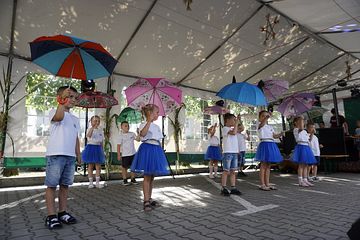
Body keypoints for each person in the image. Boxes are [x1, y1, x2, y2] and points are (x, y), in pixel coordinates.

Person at [44, 86, 80, 229]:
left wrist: (78, 153)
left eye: (74, 97)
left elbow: (76, 137)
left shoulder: (75, 119)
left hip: (70, 156)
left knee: (65, 185)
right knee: (52, 185)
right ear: (60, 97)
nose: (72, 100)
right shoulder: (54, 111)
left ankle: (62, 212)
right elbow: (59, 117)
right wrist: (61, 102)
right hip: (56, 154)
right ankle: (51, 216)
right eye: (69, 96)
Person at [130, 104, 169, 211]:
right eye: (156, 112)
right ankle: (145, 201)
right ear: (150, 114)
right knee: (147, 176)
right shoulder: (143, 124)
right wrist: (148, 121)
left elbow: (158, 140)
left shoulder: (156, 127)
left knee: (151, 177)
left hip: (156, 150)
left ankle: (149, 198)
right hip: (147, 150)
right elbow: (143, 134)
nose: (158, 114)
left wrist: (161, 151)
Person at [255, 110, 283, 191]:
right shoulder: (260, 125)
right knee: (263, 165)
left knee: (268, 165)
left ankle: (267, 183)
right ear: (259, 118)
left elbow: (274, 136)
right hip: (264, 144)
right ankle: (262, 184)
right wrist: (266, 118)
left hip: (271, 144)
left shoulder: (270, 127)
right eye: (263, 116)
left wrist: (280, 134)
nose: (265, 117)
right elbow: (262, 123)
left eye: (266, 116)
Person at [292, 116, 317, 187]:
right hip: (301, 147)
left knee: (305, 165)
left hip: (306, 147)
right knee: (301, 165)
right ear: (295, 123)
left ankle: (305, 179)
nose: (302, 123)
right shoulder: (296, 129)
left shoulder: (304, 131)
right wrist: (301, 119)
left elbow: (309, 140)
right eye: (300, 121)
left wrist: (312, 133)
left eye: (302, 122)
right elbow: (301, 128)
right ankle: (300, 180)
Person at [221, 113, 241, 196]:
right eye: (233, 119)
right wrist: (236, 123)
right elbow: (233, 133)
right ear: (227, 120)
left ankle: (233, 187)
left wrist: (239, 120)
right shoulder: (225, 128)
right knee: (226, 170)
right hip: (228, 152)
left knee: (233, 171)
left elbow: (241, 129)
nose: (234, 121)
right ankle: (223, 187)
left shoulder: (234, 127)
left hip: (234, 152)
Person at [82, 115, 105, 188]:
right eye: (95, 121)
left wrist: (102, 150)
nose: (97, 122)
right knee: (90, 166)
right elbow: (88, 136)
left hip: (98, 148)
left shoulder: (101, 130)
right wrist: (92, 128)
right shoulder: (89, 129)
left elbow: (101, 141)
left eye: (98, 121)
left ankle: (97, 182)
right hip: (91, 147)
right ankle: (91, 182)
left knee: (98, 166)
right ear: (91, 122)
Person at [117, 121, 140, 185]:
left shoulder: (132, 134)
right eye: (125, 126)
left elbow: (138, 140)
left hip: (133, 153)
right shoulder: (120, 135)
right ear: (121, 127)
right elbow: (118, 145)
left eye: (128, 126)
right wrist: (119, 154)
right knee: (124, 167)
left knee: (133, 166)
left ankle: (133, 179)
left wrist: (138, 133)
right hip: (125, 154)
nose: (127, 127)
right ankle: (124, 179)